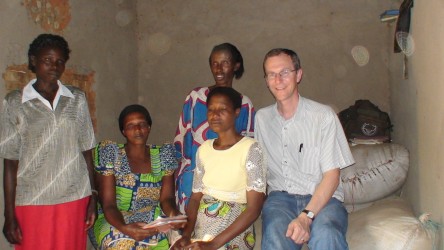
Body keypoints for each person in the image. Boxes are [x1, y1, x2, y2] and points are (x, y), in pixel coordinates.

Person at [0, 34, 97, 249]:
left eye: (60, 61)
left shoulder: (77, 99)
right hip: (32, 200)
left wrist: (93, 197)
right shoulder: (15, 102)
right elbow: (9, 162)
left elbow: (87, 152)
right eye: (47, 60)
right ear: (33, 60)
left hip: (74, 196)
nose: (54, 66)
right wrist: (9, 214)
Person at [254, 48, 355, 250]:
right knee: (275, 234)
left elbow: (332, 176)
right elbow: (258, 172)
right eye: (271, 74)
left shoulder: (323, 116)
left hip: (323, 199)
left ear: (298, 74)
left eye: (285, 72)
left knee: (326, 233)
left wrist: (306, 216)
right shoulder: (261, 119)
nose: (278, 80)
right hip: (280, 200)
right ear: (266, 80)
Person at [172, 87, 266, 250]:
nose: (215, 115)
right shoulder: (204, 149)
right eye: (211, 110)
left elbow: (253, 209)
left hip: (232, 229)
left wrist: (213, 244)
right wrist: (186, 235)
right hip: (202, 227)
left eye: (222, 109)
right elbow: (195, 199)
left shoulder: (251, 149)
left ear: (237, 112)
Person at [174, 43, 255, 213]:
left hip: (228, 174)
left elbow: (249, 145)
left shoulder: (244, 104)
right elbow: (182, 137)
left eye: (225, 63)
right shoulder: (196, 97)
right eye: (214, 63)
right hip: (194, 171)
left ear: (236, 65)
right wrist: (182, 171)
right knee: (189, 193)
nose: (219, 69)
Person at [89, 104, 182, 249]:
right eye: (130, 125)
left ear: (149, 127)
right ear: (123, 131)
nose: (137, 130)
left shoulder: (163, 154)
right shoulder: (112, 154)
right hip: (115, 219)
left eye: (142, 124)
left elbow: (166, 199)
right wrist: (125, 228)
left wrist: (174, 214)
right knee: (125, 244)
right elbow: (109, 205)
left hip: (151, 220)